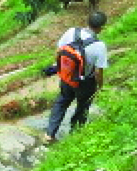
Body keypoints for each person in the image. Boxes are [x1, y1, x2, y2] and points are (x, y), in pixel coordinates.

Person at [44, 11, 109, 142]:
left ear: (87, 21)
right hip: (86, 82)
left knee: (61, 102)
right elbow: (98, 72)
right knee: (82, 106)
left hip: (67, 77)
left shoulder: (71, 32)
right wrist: (100, 86)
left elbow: (59, 51)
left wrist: (61, 69)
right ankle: (75, 135)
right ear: (101, 27)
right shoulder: (99, 46)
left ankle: (49, 134)